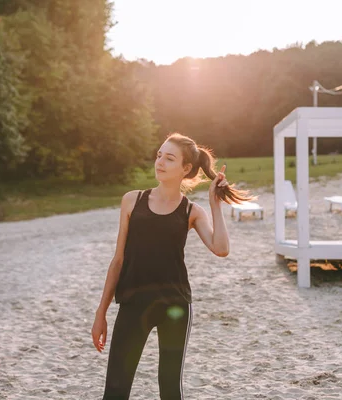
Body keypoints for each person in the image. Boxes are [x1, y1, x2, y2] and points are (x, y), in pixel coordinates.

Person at [91, 132, 254, 399]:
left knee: (169, 390)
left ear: (186, 169)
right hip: (133, 303)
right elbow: (118, 260)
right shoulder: (132, 201)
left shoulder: (192, 211)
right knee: (116, 390)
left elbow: (221, 249)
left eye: (169, 158)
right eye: (159, 156)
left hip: (175, 307)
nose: (160, 162)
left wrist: (215, 203)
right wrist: (101, 313)